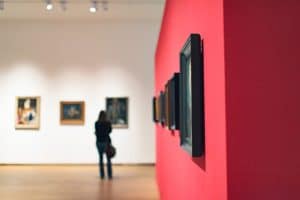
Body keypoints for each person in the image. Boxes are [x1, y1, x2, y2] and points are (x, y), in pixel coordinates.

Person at [95, 111, 113, 179]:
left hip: (99, 142)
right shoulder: (107, 123)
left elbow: (96, 132)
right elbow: (110, 131)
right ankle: (109, 175)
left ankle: (102, 175)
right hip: (106, 142)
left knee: (101, 158)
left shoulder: (97, 123)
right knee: (108, 159)